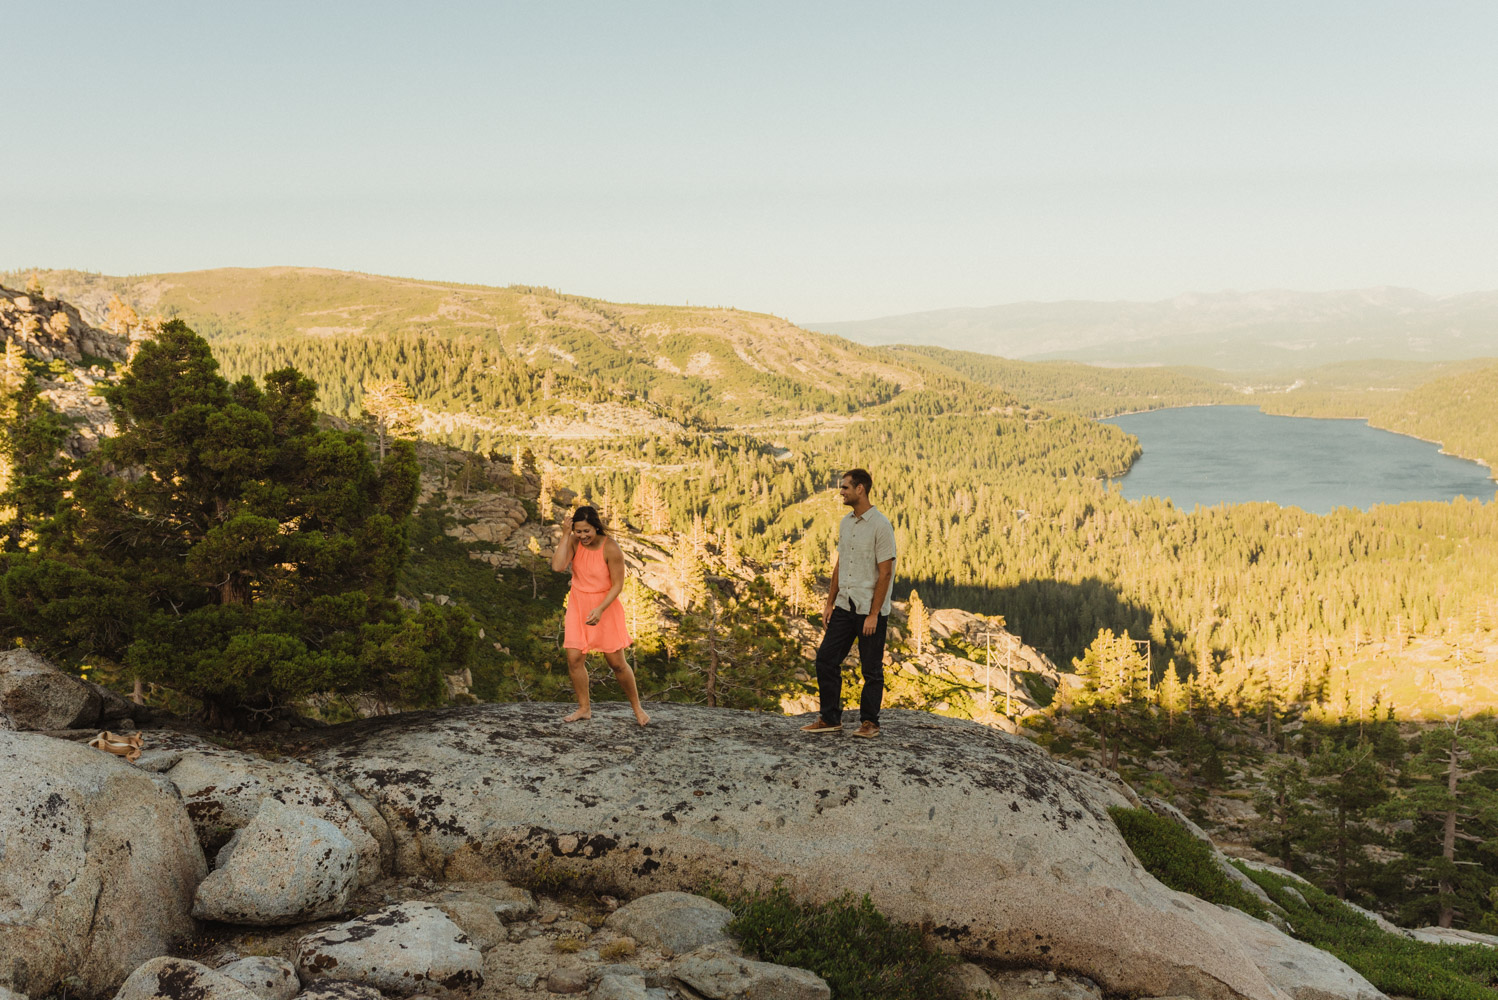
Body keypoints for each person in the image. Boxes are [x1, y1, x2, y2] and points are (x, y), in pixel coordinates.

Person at [801, 468, 896, 738]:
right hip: (845, 605)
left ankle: (870, 723)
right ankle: (830, 718)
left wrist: (874, 614)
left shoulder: (881, 525)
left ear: (860, 489)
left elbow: (885, 571)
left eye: (845, 487)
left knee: (871, 669)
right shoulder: (846, 523)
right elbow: (840, 565)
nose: (840, 492)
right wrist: (829, 603)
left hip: (869, 610)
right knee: (826, 660)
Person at [551, 506, 650, 726]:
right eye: (578, 531)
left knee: (617, 663)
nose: (583, 536)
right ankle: (584, 708)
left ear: (596, 527)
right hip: (578, 604)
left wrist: (600, 609)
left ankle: (637, 708)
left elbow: (617, 585)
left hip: (605, 606)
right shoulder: (574, 542)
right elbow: (557, 566)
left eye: (587, 531)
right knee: (574, 659)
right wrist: (566, 535)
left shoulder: (611, 548)